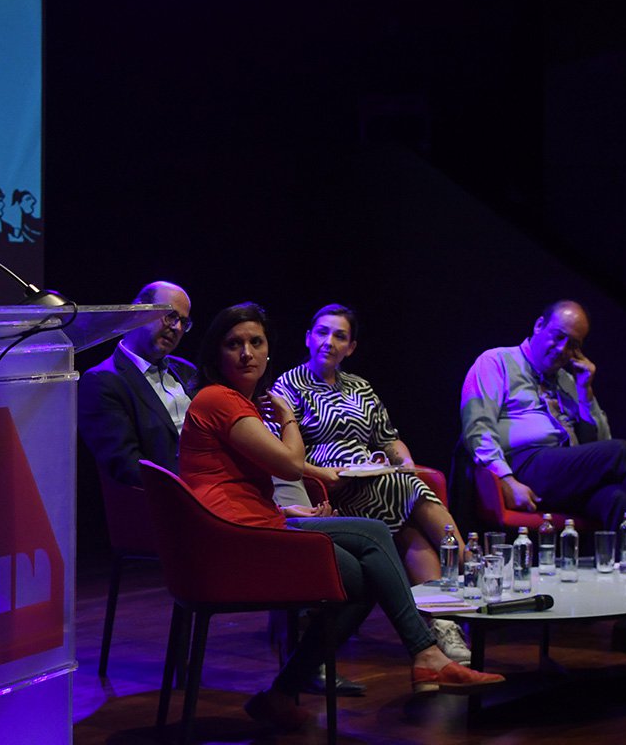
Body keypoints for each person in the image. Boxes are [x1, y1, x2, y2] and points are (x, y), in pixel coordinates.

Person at [179, 303, 503, 732]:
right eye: (233, 344)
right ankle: (427, 650)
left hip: (256, 524)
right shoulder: (222, 399)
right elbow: (289, 465)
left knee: (363, 572)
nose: (246, 353)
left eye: (256, 342)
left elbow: (236, 483)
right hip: (236, 541)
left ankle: (281, 695)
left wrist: (287, 509)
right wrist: (288, 419)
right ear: (215, 352)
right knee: (373, 535)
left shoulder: (245, 401)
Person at [461, 299, 626, 659]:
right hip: (526, 467)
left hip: (563, 474)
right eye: (558, 337)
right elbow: (477, 428)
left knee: (621, 502)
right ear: (539, 325)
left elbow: (598, 444)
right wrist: (507, 480)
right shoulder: (496, 361)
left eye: (573, 344)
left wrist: (586, 391)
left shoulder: (567, 380)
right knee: (621, 452)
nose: (563, 349)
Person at [270, 304, 471, 661]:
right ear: (308, 337)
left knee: (409, 518)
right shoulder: (289, 385)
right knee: (406, 491)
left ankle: (441, 620)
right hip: (327, 484)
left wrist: (405, 463)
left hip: (372, 480)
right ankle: (468, 567)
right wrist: (321, 475)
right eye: (322, 332)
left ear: (351, 347)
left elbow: (388, 439)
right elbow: (278, 452)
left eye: (340, 336)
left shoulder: (360, 387)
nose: (329, 342)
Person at [79, 281, 196, 488]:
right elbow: (128, 467)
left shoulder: (187, 371)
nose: (177, 327)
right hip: (171, 496)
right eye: (170, 316)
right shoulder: (102, 381)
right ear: (138, 311)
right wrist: (190, 491)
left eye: (183, 322)